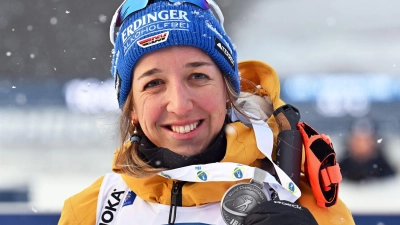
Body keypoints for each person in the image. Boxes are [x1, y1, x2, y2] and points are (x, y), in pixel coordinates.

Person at [58, 0, 355, 224]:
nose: (180, 104)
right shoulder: (88, 212)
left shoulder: (312, 210)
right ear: (132, 107)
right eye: (154, 83)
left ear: (228, 90)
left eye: (198, 76)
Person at [339, 117, 396, 182]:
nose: (362, 145)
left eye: (367, 141)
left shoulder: (386, 169)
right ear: (350, 142)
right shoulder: (340, 169)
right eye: (358, 140)